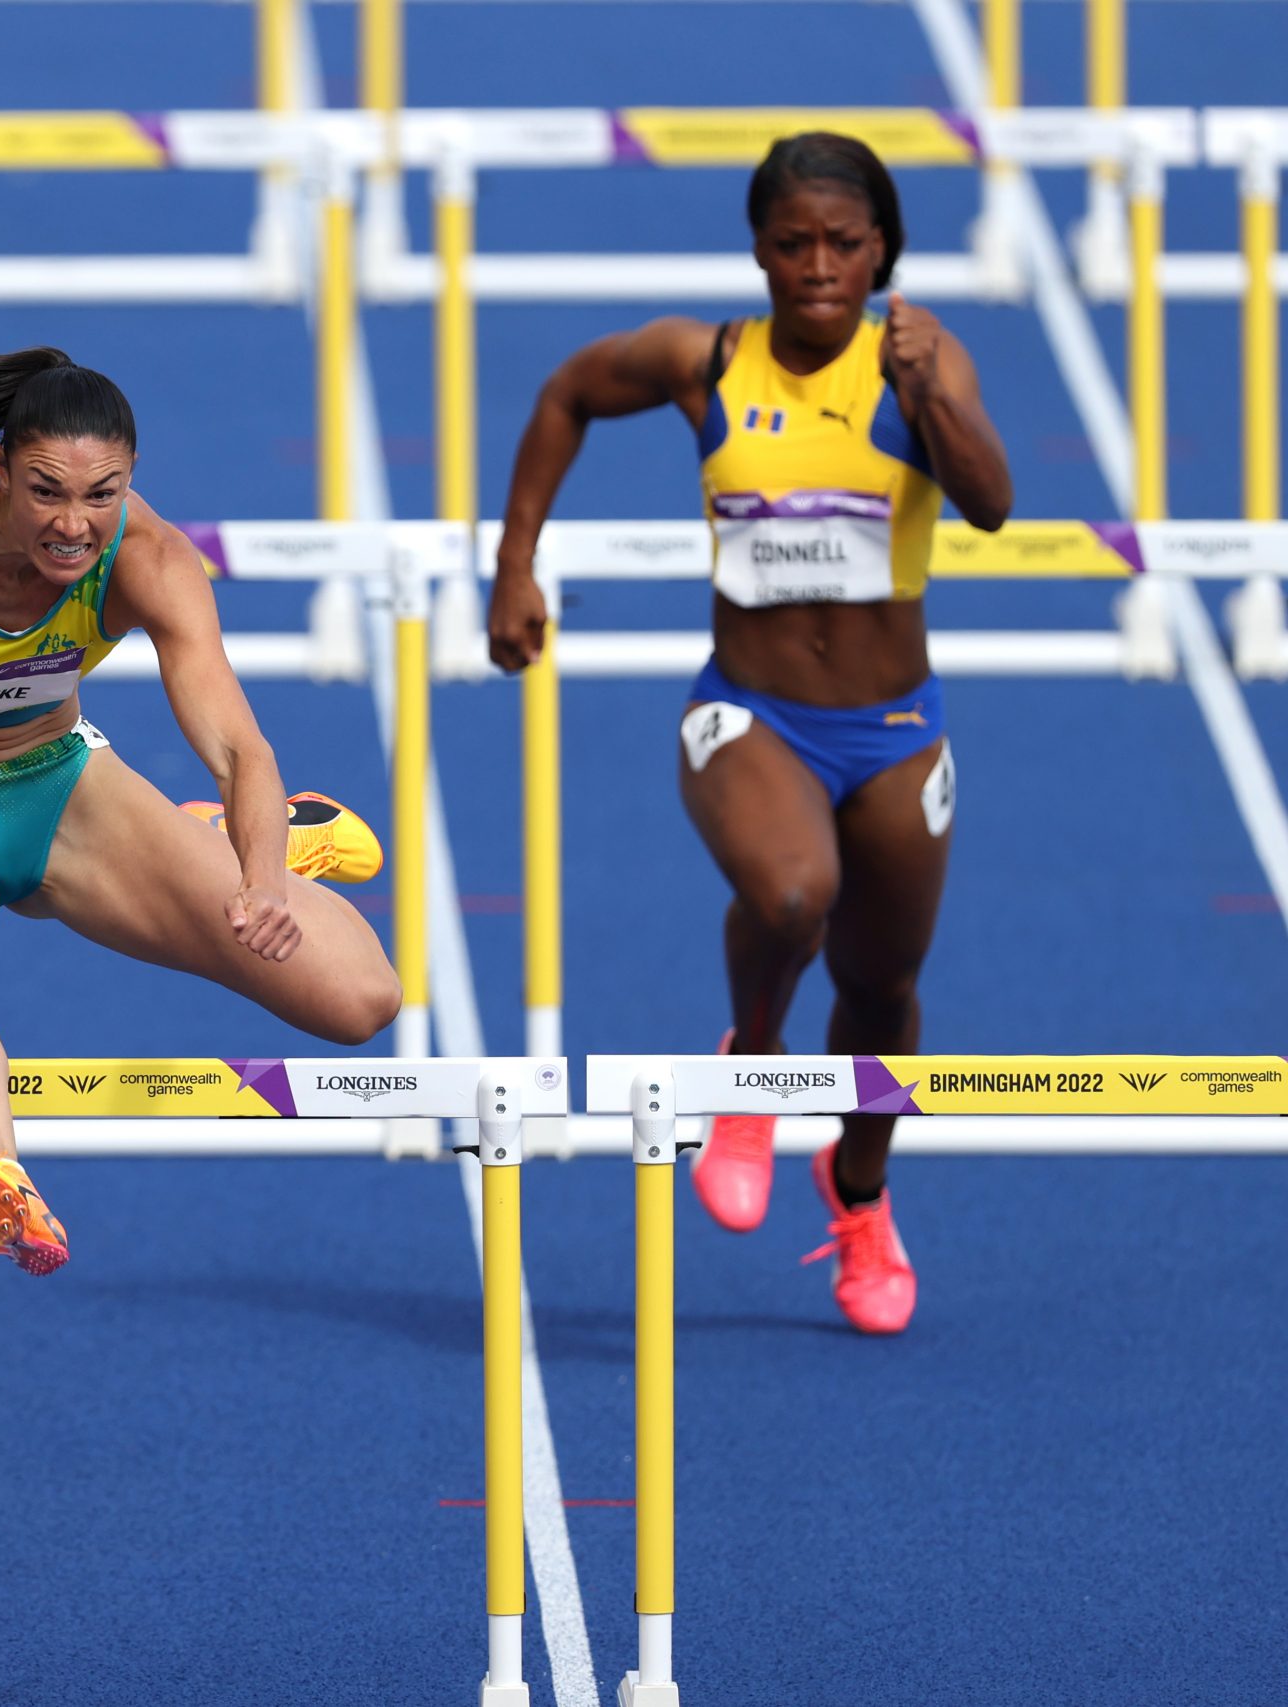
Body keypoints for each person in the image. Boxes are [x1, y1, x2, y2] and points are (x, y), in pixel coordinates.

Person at [0, 295, 401, 1276]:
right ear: (0, 473)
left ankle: (229, 840)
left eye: (103, 494)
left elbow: (240, 745)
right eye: (47, 490)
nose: (72, 524)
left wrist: (259, 877)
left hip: (61, 795)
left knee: (358, 1001)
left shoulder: (150, 563)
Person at [486, 133, 1012, 1335]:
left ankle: (859, 1195)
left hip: (892, 729)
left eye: (844, 243)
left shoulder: (916, 361)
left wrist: (930, 394)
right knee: (789, 896)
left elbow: (988, 504)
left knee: (883, 985)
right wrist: (514, 564)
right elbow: (565, 393)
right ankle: (752, 1069)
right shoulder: (706, 359)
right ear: (759, 250)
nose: (817, 267)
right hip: (749, 711)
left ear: (883, 249)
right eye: (792, 244)